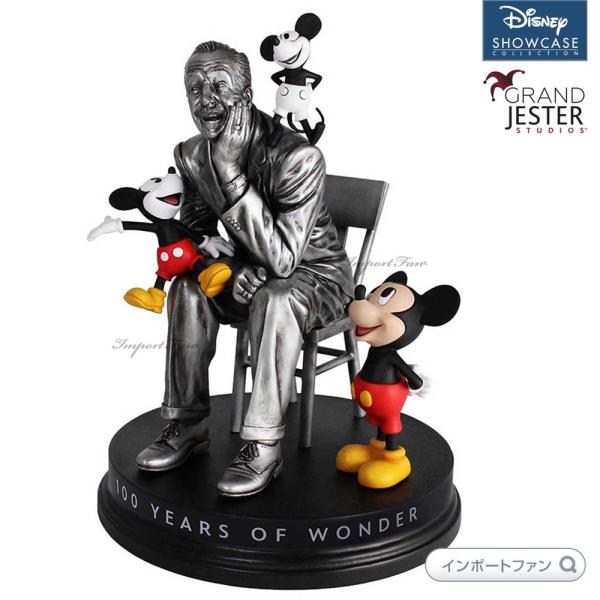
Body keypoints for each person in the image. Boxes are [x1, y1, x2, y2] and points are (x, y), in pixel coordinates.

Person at [135, 41, 353, 497]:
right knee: (188, 287)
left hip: (316, 277)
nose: (205, 100)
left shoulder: (298, 157)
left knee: (277, 294)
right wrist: (232, 270)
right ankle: (187, 423)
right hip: (247, 272)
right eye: (195, 89)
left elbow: (284, 262)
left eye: (219, 86)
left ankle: (263, 444)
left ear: (246, 95)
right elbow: (197, 235)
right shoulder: (191, 154)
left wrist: (230, 171)